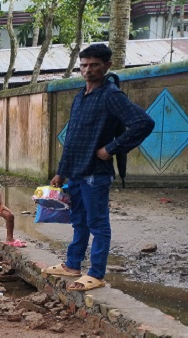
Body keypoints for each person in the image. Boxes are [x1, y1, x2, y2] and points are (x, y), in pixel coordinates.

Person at [43, 44, 155, 291]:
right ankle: (72, 265)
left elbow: (143, 123)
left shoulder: (111, 95)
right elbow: (71, 137)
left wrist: (111, 148)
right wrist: (61, 171)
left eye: (94, 65)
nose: (87, 70)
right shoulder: (80, 96)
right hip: (76, 172)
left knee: (98, 224)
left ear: (106, 66)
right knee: (79, 222)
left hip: (96, 174)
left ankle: (96, 274)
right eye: (83, 65)